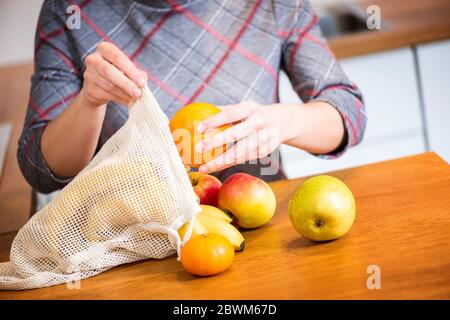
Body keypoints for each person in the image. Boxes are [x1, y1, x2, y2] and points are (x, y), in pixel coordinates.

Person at [18, 0, 366, 194]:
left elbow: (348, 112)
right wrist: (90, 101)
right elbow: (41, 170)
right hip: (132, 235)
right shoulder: (69, 11)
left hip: (252, 223)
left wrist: (285, 121)